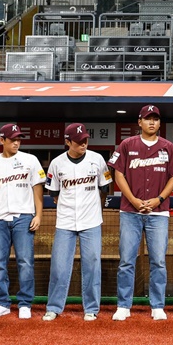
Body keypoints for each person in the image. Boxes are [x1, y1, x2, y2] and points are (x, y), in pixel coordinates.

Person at [109, 104, 173, 321]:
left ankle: (157, 305)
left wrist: (158, 199)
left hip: (158, 212)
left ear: (160, 123)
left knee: (159, 260)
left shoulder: (169, 147)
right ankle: (123, 305)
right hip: (130, 211)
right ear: (139, 122)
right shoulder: (126, 144)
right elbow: (118, 173)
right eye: (147, 118)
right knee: (127, 260)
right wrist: (133, 199)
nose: (152, 122)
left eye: (156, 119)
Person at [0, 123, 46, 320]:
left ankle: (25, 303)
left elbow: (38, 189)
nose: (16, 142)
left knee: (25, 262)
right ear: (2, 140)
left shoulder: (30, 160)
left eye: (18, 139)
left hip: (23, 217)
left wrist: (38, 215)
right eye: (12, 139)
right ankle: (2, 303)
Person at [44, 123, 112, 321]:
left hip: (91, 221)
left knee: (92, 264)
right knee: (59, 266)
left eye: (85, 140)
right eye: (78, 141)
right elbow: (53, 193)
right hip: (65, 221)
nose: (83, 143)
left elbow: (105, 188)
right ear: (67, 142)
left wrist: (96, 211)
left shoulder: (97, 159)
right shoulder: (57, 163)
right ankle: (54, 307)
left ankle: (91, 308)